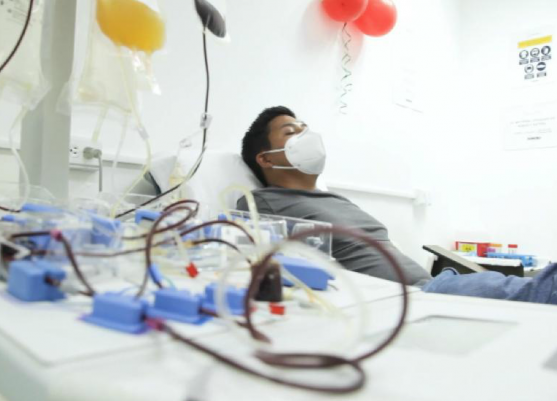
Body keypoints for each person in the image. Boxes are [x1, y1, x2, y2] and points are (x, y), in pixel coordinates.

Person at [237, 106, 557, 305]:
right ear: (265, 159)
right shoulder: (264, 202)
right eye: (291, 132)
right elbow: (252, 258)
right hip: (416, 298)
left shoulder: (333, 200)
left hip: (433, 286)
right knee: (540, 291)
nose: (305, 135)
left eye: (305, 129)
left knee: (541, 286)